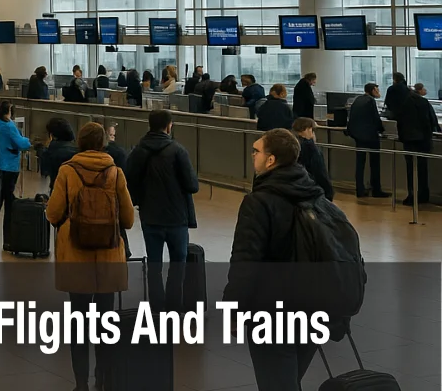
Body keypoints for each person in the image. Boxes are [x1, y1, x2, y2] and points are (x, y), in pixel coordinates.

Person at [223, 129, 326, 391]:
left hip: (272, 312)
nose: (252, 155)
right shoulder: (314, 195)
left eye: (257, 151)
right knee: (289, 381)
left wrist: (233, 309)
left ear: (270, 160)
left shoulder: (258, 203)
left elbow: (245, 262)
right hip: (313, 307)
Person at [46, 122, 135, 391]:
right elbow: (128, 220)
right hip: (108, 255)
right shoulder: (115, 173)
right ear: (102, 144)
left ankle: (81, 382)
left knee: (79, 321)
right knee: (106, 322)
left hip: (76, 255)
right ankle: (103, 379)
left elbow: (52, 213)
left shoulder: (67, 170)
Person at [126, 109, 198, 310]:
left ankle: (157, 309)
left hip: (150, 217)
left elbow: (128, 180)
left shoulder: (138, 151)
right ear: (169, 126)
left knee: (154, 266)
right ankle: (174, 308)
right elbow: (193, 185)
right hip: (177, 218)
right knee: (178, 265)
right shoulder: (178, 151)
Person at [395, 80, 438, 206]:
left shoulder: (403, 104)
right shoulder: (423, 102)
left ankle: (412, 195)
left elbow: (400, 123)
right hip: (423, 140)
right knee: (422, 168)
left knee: (411, 169)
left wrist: (402, 137)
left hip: (409, 141)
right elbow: (430, 120)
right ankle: (424, 195)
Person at [344, 82, 389, 198]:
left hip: (358, 136)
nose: (379, 92)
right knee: (374, 163)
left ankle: (360, 189)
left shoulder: (357, 100)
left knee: (360, 164)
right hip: (370, 136)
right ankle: (376, 189)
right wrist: (382, 130)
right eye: (377, 90)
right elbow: (375, 118)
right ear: (373, 90)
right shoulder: (370, 101)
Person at [0, 100, 32, 206]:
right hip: (11, 163)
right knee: (9, 193)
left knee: (3, 189)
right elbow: (21, 143)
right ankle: (9, 218)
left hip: (2, 161)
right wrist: (28, 141)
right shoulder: (9, 126)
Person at [291, 118, 334, 201]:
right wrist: (329, 192)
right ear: (307, 129)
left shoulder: (291, 144)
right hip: (312, 190)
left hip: (296, 189)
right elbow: (320, 172)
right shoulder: (311, 149)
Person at [38, 117, 79, 186]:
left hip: (57, 190)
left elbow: (44, 171)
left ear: (52, 135)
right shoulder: (77, 152)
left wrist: (46, 147)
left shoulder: (50, 153)